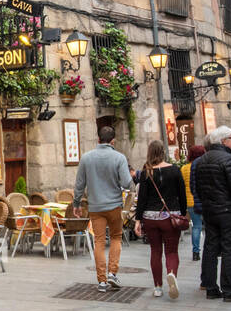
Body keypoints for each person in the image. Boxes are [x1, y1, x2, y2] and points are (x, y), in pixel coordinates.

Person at [72, 124, 135, 293]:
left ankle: (101, 281)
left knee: (99, 241)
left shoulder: (86, 158)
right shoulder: (119, 158)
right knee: (115, 237)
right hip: (115, 205)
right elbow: (125, 182)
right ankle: (113, 273)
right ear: (113, 141)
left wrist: (76, 204)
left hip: (95, 206)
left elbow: (79, 184)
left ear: (98, 139)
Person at [191, 126, 231, 302]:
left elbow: (198, 188)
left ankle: (210, 287)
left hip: (210, 211)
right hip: (228, 211)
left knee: (210, 247)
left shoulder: (200, 161)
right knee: (230, 249)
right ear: (223, 141)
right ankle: (230, 290)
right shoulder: (229, 160)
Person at [133, 140, 187, 299]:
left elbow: (141, 198)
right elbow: (182, 195)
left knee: (155, 251)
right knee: (171, 251)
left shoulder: (146, 172)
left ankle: (157, 287)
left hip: (150, 217)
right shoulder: (175, 171)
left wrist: (138, 220)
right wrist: (182, 214)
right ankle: (172, 274)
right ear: (163, 152)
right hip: (170, 217)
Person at [182, 145, 206, 261]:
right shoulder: (203, 166)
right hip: (203, 200)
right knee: (209, 226)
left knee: (196, 226)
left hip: (190, 201)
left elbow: (182, 186)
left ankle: (195, 252)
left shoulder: (185, 168)